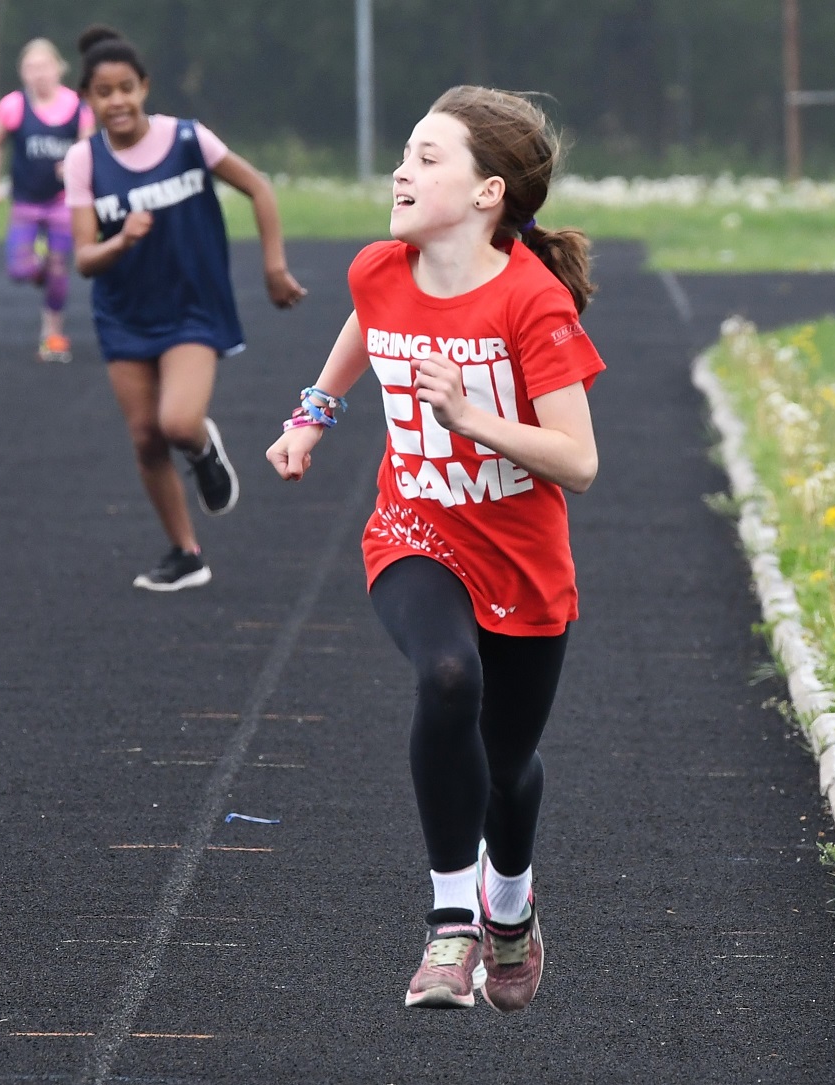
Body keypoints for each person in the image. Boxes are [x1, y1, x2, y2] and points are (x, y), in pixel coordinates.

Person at [266, 86, 605, 1012]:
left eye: (425, 158)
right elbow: (365, 322)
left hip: (523, 566)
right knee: (448, 675)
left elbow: (578, 462)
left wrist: (468, 417)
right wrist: (313, 413)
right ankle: (450, 922)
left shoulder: (532, 302)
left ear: (488, 192)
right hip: (414, 532)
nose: (400, 172)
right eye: (403, 155)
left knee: (507, 767)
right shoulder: (380, 268)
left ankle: (510, 904)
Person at [63, 25, 306, 592]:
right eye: (104, 92)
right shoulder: (83, 161)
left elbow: (259, 188)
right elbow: (84, 258)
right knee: (146, 438)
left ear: (145, 87)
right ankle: (186, 553)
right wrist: (121, 241)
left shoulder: (189, 139)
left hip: (192, 309)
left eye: (126, 88)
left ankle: (201, 448)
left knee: (175, 423)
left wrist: (273, 267)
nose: (117, 101)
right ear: (88, 99)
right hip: (124, 314)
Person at [0, 38, 95, 363]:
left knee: (60, 270)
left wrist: (73, 168)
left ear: (59, 68)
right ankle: (39, 268)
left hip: (62, 202)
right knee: (19, 268)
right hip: (26, 202)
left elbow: (89, 150)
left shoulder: (78, 107)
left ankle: (52, 336)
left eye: (44, 66)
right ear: (22, 72)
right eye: (31, 68)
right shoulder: (13, 106)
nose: (38, 74)